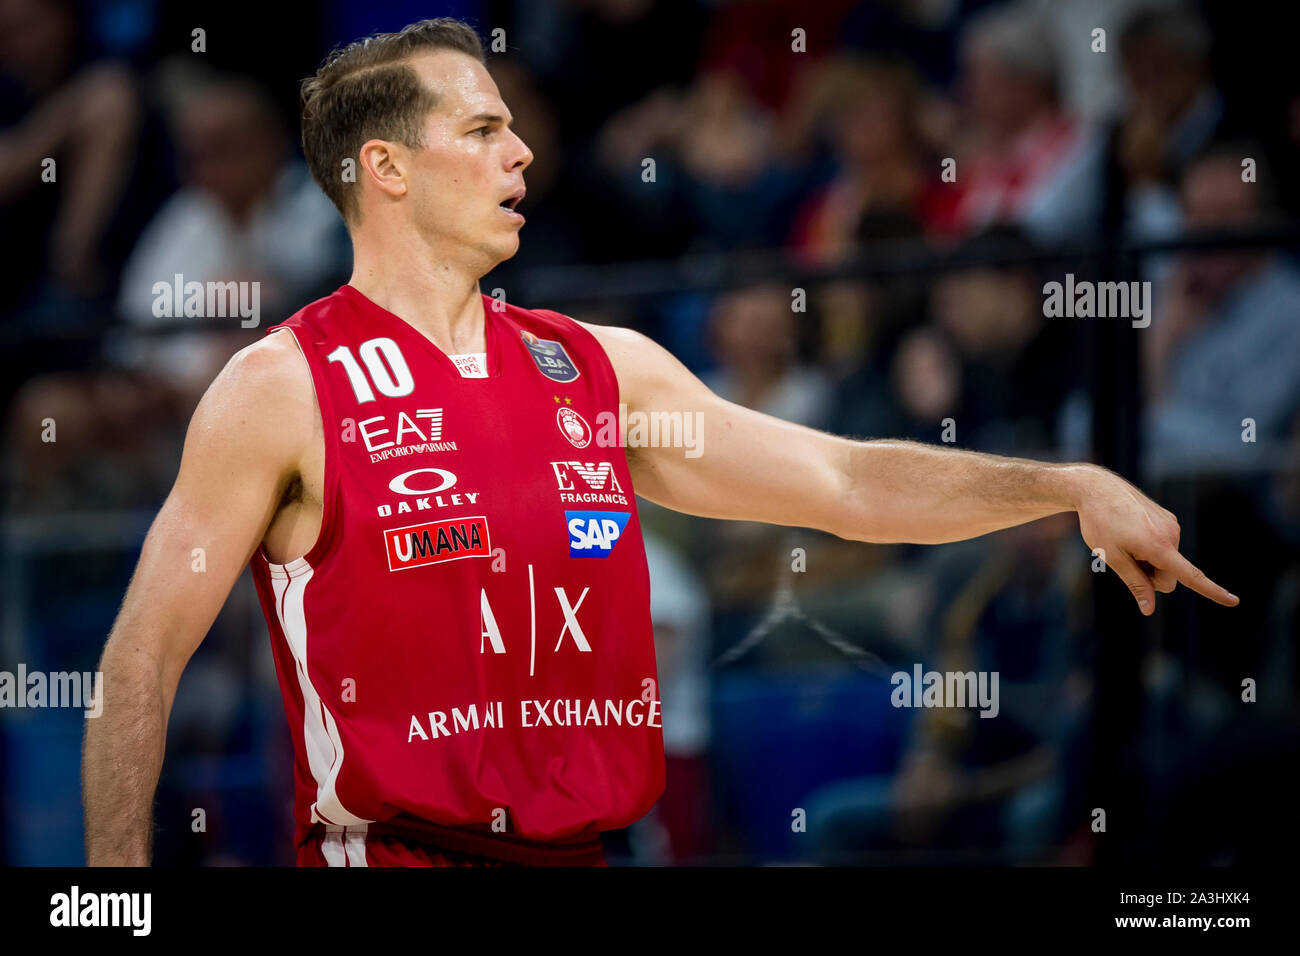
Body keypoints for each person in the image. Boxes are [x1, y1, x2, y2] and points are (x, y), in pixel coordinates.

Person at [81, 17, 1238, 868]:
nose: (521, 154)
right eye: (482, 130)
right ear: (383, 168)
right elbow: (140, 657)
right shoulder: (280, 387)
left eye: (515, 128)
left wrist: (1066, 483)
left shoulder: (600, 366)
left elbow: (839, 479)